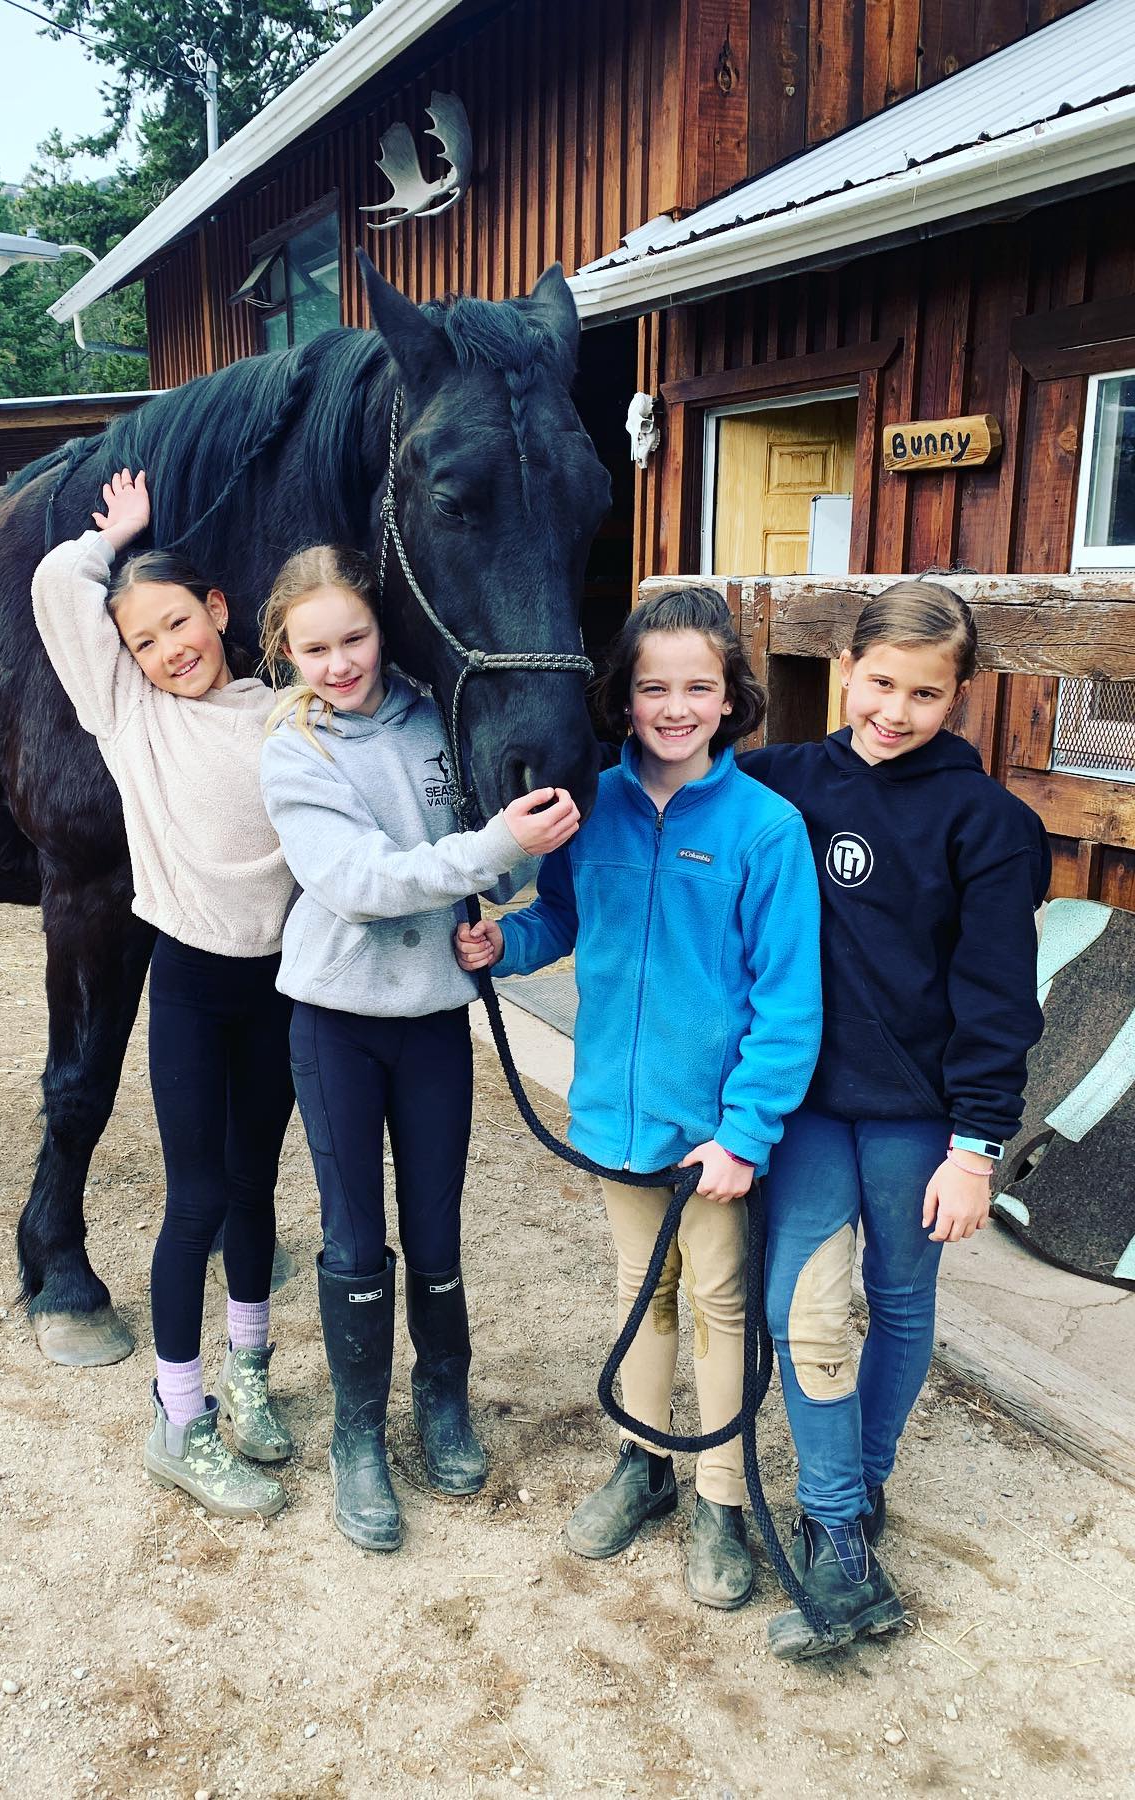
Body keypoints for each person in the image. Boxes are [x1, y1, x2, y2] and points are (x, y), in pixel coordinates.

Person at [458, 587, 822, 1609]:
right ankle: (644, 1460)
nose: (675, 708)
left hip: (711, 1141)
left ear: (730, 698)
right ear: (623, 697)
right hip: (616, 1121)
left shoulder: (766, 831)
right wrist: (501, 943)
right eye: (654, 687)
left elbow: (789, 1002)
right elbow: (561, 919)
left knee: (719, 1306)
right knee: (639, 1291)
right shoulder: (594, 806)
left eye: (698, 688)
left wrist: (745, 1133)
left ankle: (721, 1498)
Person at [741, 579, 1051, 1659]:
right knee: (803, 1311)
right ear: (845, 669)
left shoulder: (992, 826)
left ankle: (856, 1495)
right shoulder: (777, 783)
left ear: (961, 695)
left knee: (901, 1299)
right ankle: (836, 1523)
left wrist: (977, 1148)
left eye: (925, 693)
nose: (894, 711)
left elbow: (998, 998)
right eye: (879, 683)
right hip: (810, 1107)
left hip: (921, 1119)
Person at [257, 545, 580, 1552]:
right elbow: (360, 883)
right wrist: (496, 849)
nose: (339, 663)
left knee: (436, 1226)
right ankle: (357, 1434)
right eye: (314, 649)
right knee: (356, 1234)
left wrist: (505, 885)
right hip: (338, 1024)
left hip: (436, 1018)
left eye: (354, 638)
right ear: (287, 651)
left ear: (382, 627)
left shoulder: (443, 715)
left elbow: (501, 860)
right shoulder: (293, 751)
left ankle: (444, 1399)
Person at [31, 468, 297, 1522]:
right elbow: (57, 589)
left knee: (257, 1186)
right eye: (142, 640)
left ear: (218, 610)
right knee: (197, 1200)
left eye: (178, 622)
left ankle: (250, 1372)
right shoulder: (128, 716)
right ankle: (179, 1421)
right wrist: (117, 541)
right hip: (189, 986)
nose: (167, 649)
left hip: (281, 990)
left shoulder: (288, 715)